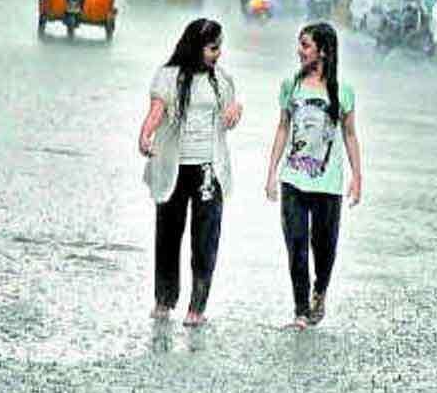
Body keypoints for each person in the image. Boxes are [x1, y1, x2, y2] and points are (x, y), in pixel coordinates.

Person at [138, 19, 244, 327]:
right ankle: (164, 299)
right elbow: (156, 112)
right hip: (173, 167)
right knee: (168, 236)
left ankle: (197, 307)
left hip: (209, 170)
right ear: (196, 47)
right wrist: (144, 136)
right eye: (213, 48)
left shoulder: (221, 80)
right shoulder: (169, 77)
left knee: (205, 239)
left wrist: (235, 114)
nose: (218, 54)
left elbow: (229, 116)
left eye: (219, 48)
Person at [265, 22, 362, 331]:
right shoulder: (290, 86)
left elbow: (350, 135)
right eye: (299, 44)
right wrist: (271, 172)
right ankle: (301, 311)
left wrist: (357, 177)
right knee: (295, 244)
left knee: (324, 246)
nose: (299, 51)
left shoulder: (343, 92)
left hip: (328, 183)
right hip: (293, 179)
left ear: (323, 51)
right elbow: (282, 128)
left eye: (305, 45)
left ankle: (320, 290)